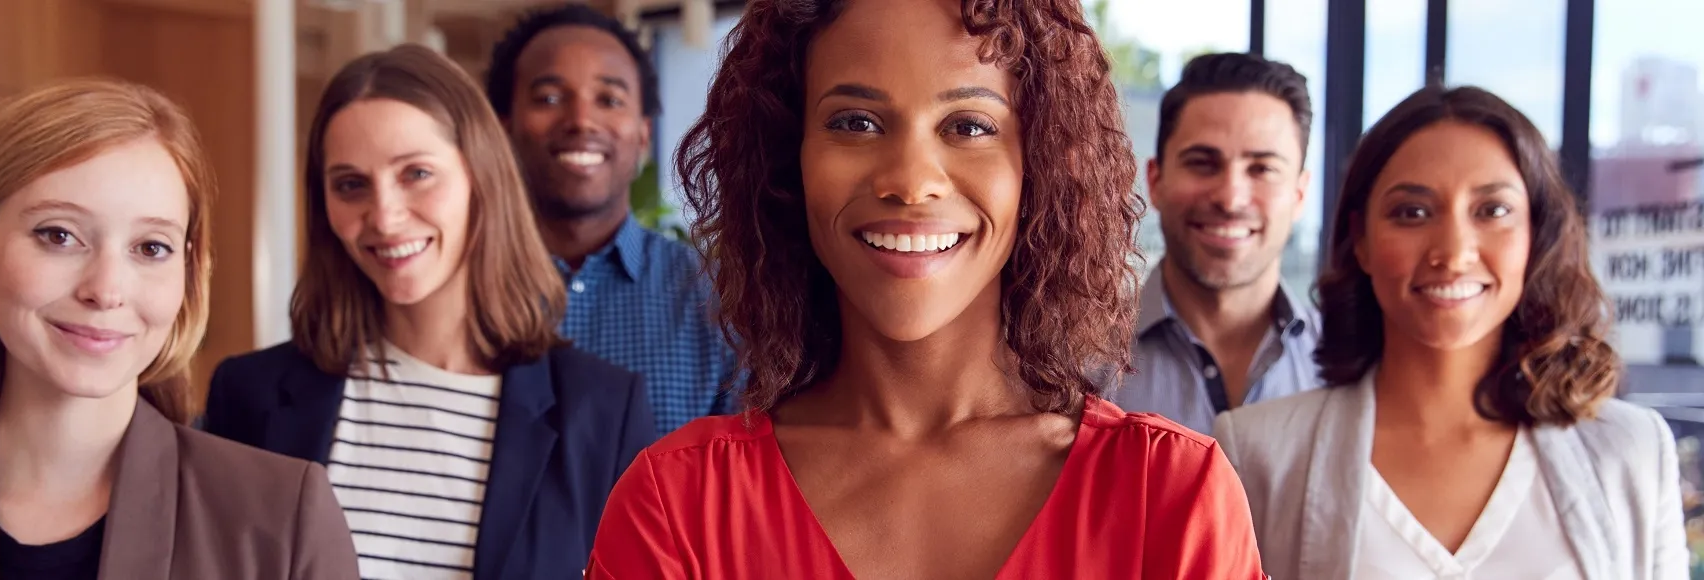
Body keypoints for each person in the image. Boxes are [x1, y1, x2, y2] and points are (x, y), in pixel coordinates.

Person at [585, 0, 1264, 578]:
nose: (911, 181)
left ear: (1042, 166)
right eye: (855, 122)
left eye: (968, 126)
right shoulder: (678, 507)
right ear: (787, 161)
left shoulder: (1170, 496)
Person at [0, 80, 358, 579]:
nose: (106, 289)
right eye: (59, 235)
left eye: (150, 248)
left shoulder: (281, 520)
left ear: (188, 271)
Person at [204, 45, 655, 580]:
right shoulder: (248, 395)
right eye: (350, 184)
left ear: (480, 178)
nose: (385, 217)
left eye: (416, 173)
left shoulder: (602, 411)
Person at [1215, 86, 1687, 579]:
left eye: (1493, 210)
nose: (1454, 252)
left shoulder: (1631, 449)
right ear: (1361, 241)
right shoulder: (1258, 454)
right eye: (1412, 212)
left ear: (1536, 233)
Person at [485, 4, 732, 434]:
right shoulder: (453, 288)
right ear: (502, 128)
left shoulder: (715, 303)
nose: (581, 121)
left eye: (609, 100)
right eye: (549, 98)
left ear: (643, 136)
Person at [1110, 52, 1321, 435]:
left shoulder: (1350, 368)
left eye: (1262, 169)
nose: (1230, 198)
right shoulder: (1074, 365)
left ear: (1299, 195)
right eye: (1202, 163)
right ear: (1155, 181)